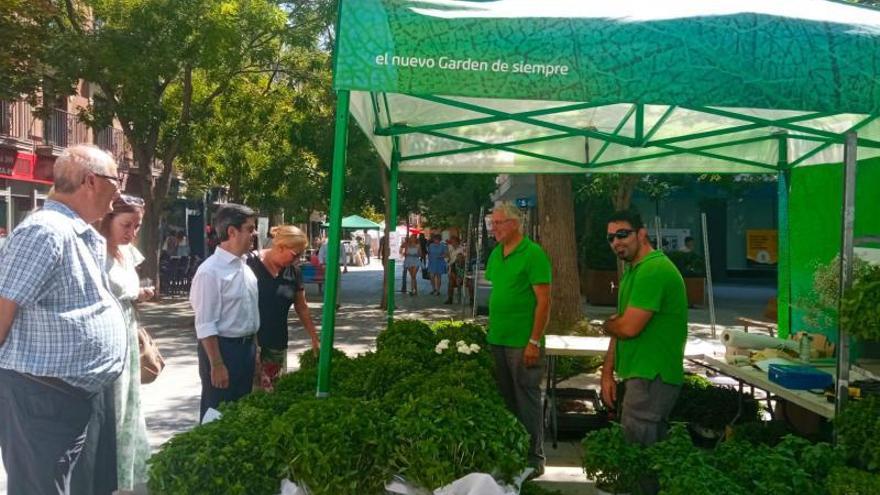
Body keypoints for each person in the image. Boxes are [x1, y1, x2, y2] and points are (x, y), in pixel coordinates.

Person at [0, 144, 127, 495]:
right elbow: (2, 308)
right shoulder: (45, 231)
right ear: (90, 181)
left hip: (67, 396)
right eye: (117, 182)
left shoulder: (78, 231)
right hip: (40, 399)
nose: (119, 193)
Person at [599, 210, 687, 492]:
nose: (616, 242)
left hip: (653, 377)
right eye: (611, 238)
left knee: (639, 463)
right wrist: (607, 372)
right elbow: (620, 327)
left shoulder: (653, 270)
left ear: (642, 233)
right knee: (641, 458)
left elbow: (627, 328)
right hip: (641, 375)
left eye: (622, 234)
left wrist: (607, 325)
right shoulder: (634, 271)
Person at [485, 202, 552, 478]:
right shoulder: (496, 254)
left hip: (522, 342)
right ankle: (513, 452)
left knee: (526, 399)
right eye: (493, 223)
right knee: (507, 399)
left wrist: (534, 341)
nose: (494, 228)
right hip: (497, 338)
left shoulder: (533, 254)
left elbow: (544, 300)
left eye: (499, 223)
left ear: (514, 224)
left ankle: (534, 458)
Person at [98, 194, 153, 490]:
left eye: (137, 225)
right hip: (110, 339)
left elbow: (127, 288)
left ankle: (126, 471)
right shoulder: (95, 252)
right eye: (126, 224)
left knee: (129, 406)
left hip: (128, 332)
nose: (132, 232)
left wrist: (139, 295)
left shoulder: (126, 252)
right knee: (112, 408)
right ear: (108, 220)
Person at [189, 203, 260, 421]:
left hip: (246, 350)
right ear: (231, 231)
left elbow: (249, 314)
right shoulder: (210, 272)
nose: (254, 234)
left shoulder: (245, 267)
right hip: (223, 351)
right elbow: (205, 324)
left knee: (239, 413)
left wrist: (255, 353)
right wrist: (217, 364)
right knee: (216, 414)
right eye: (249, 228)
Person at [246, 225, 320, 390]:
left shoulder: (294, 272)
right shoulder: (249, 264)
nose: (298, 260)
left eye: (300, 256)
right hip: (250, 346)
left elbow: (302, 307)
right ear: (280, 247)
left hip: (277, 345)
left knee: (273, 394)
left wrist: (314, 337)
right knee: (250, 396)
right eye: (295, 255)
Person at [445, 235, 466, 304]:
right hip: (452, 266)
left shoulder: (461, 248)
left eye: (454, 242)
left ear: (457, 242)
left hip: (460, 267)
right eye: (452, 242)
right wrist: (447, 259)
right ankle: (450, 298)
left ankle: (471, 300)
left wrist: (460, 259)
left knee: (461, 280)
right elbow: (447, 257)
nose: (452, 243)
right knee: (450, 282)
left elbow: (464, 258)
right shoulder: (449, 247)